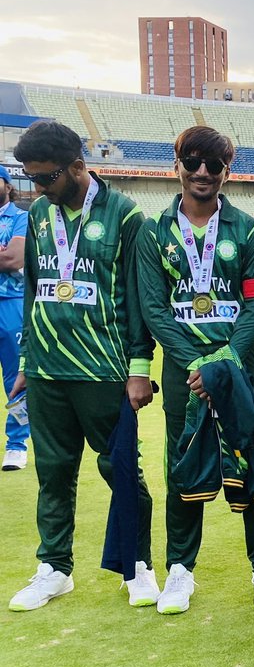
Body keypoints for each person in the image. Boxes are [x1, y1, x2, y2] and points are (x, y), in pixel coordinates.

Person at [7, 121, 157, 611]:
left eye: (45, 178)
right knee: (52, 473)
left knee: (120, 470)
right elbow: (33, 291)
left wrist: (138, 368)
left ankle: (137, 566)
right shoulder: (40, 216)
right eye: (30, 179)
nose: (37, 188)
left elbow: (139, 300)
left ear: (76, 167)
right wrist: (28, 358)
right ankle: (54, 568)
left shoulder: (127, 215)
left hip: (104, 370)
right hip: (48, 371)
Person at [137, 126, 254, 613]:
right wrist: (196, 362)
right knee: (183, 467)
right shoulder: (153, 232)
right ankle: (180, 570)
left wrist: (223, 361)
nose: (203, 173)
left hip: (242, 370)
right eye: (193, 162)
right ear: (176, 165)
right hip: (184, 374)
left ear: (227, 171)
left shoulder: (246, 228)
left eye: (214, 165)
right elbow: (155, 311)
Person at [0, 164, 30, 471]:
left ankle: (17, 444)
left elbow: (13, 258)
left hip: (10, 303)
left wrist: (6, 256)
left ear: (8, 185)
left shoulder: (21, 218)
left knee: (16, 378)